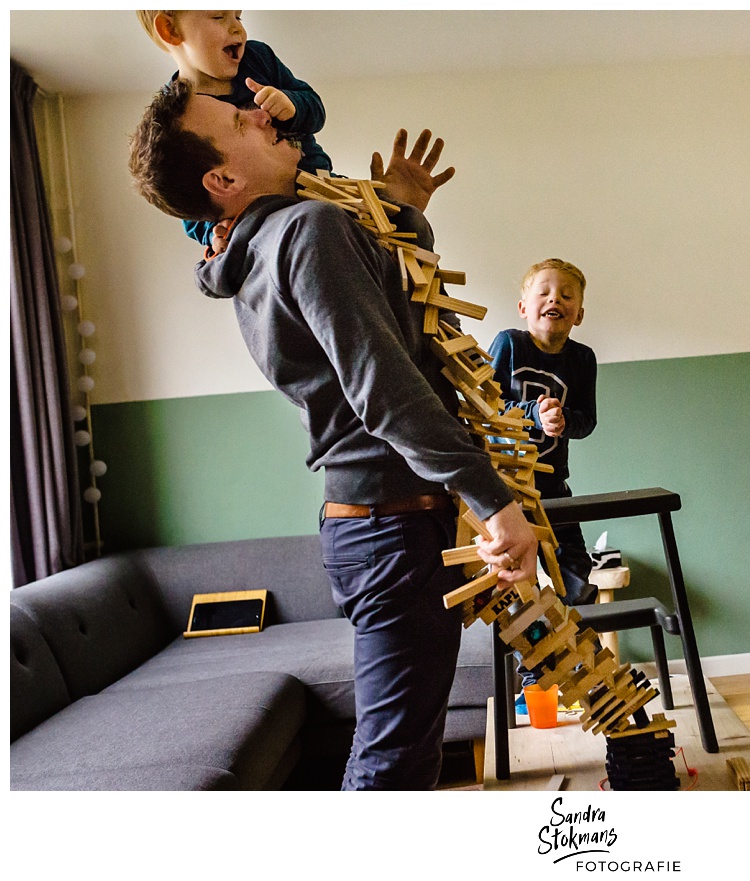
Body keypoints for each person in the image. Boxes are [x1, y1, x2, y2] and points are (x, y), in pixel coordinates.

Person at [128, 78, 537, 790]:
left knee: (404, 755)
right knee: (393, 765)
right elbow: (386, 389)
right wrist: (493, 500)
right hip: (392, 527)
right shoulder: (306, 231)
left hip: (379, 525)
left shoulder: (265, 248)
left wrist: (404, 214)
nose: (264, 112)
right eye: (238, 119)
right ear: (221, 177)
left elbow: (397, 333)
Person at [487, 259, 598, 706]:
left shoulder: (582, 358)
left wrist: (562, 419)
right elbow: (485, 408)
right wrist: (532, 415)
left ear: (579, 314)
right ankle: (532, 674)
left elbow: (587, 421)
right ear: (523, 307)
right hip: (508, 493)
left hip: (555, 489)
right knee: (519, 584)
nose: (556, 300)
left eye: (567, 295)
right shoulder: (509, 346)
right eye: (545, 293)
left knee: (576, 571)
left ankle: (576, 661)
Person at [137, 10, 333, 254]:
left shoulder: (258, 58)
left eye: (238, 17)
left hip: (319, 177)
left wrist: (292, 106)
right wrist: (213, 234)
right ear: (171, 29)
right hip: (263, 215)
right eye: (219, 17)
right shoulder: (177, 117)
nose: (237, 28)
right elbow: (186, 203)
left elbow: (315, 109)